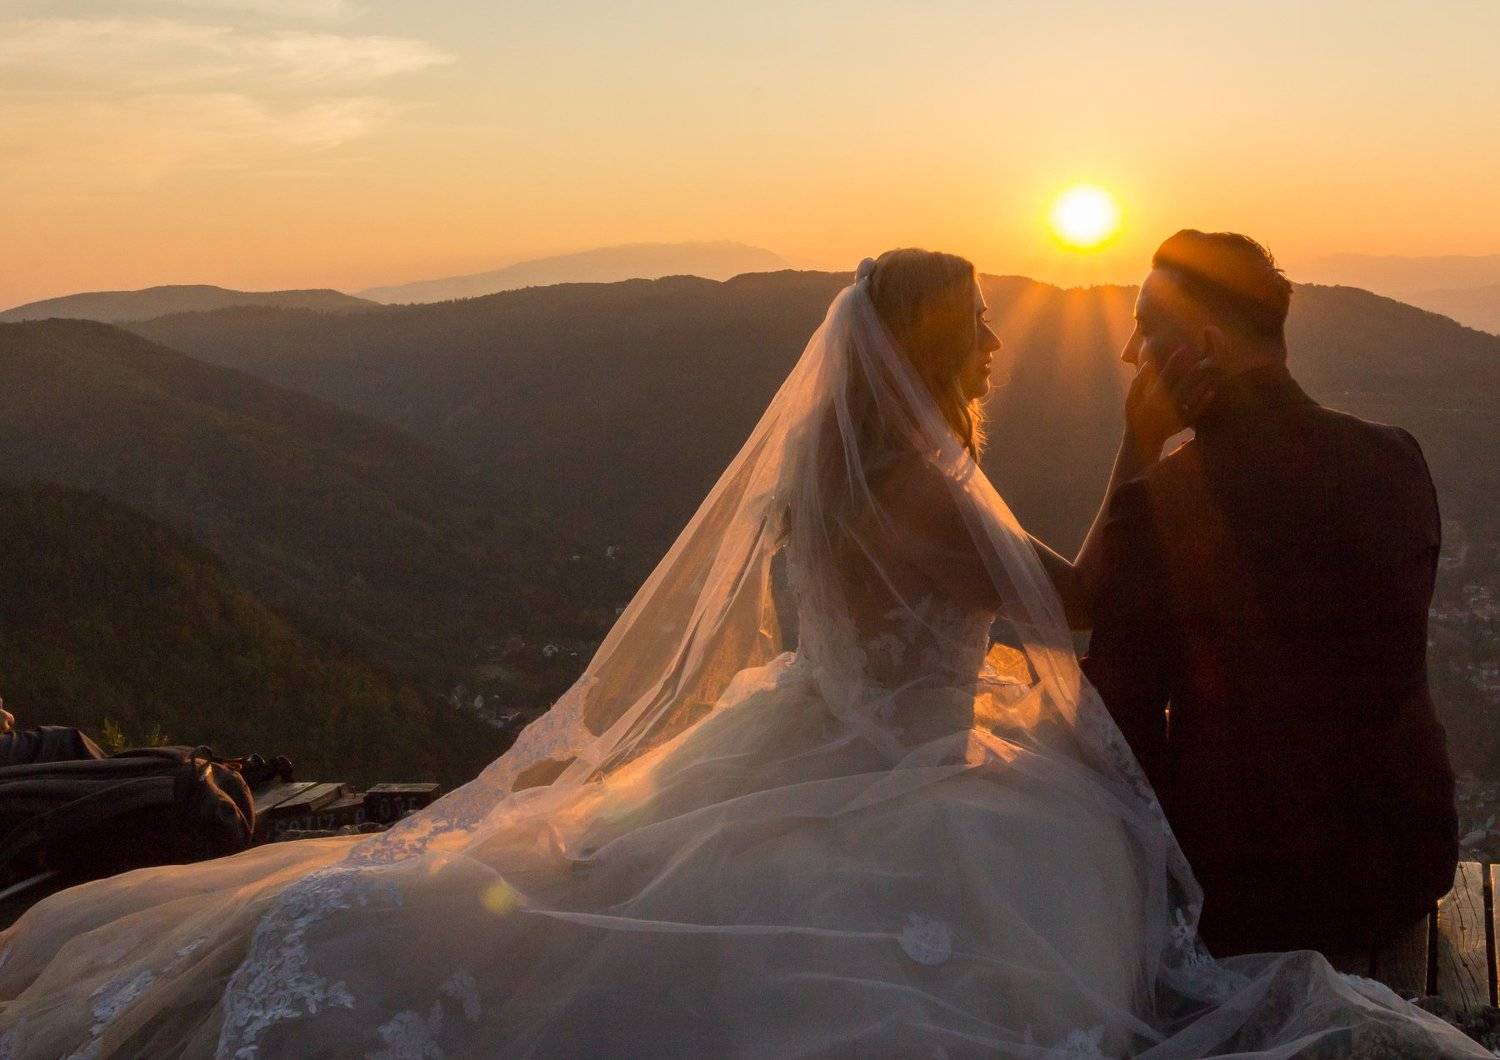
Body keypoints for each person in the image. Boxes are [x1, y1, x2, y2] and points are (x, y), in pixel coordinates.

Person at [0, 251, 1481, 1057]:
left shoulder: (831, 476)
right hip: (916, 772)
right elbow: (1079, 608)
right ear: (925, 352)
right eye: (975, 329)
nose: (996, 346)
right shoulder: (943, 492)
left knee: (588, 895)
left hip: (820, 731)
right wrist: (1131, 446)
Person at [1081, 231, 1459, 956]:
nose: (1130, 354)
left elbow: (1120, 722)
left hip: (1247, 888)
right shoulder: (1396, 459)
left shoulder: (1159, 503)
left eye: (1145, 329)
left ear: (1207, 346)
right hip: (1408, 858)